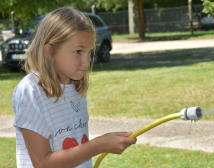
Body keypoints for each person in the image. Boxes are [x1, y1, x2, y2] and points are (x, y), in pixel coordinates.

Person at [12, 6, 137, 168]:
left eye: (89, 52)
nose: (86, 62)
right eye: (78, 51)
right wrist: (98, 145)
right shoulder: (30, 91)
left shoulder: (75, 85)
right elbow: (42, 163)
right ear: (49, 52)